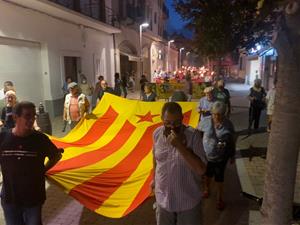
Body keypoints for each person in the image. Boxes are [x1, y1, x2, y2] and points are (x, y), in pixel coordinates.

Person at [0, 101, 62, 225]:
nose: (32, 119)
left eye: (34, 116)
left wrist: (43, 170)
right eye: (27, 116)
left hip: (33, 197)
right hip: (10, 197)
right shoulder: (3, 138)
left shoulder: (40, 139)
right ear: (15, 117)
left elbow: (56, 155)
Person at [152, 102, 207, 225]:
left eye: (176, 123)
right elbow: (156, 159)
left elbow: (201, 170)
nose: (172, 127)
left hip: (188, 202)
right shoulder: (156, 134)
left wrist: (180, 146)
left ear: (182, 119)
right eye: (167, 123)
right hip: (163, 200)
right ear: (162, 119)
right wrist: (154, 181)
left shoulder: (194, 136)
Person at [198, 101, 236, 210]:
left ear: (223, 114)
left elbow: (232, 141)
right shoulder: (205, 122)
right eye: (214, 114)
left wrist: (232, 155)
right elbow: (198, 135)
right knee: (208, 175)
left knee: (219, 178)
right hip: (207, 155)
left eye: (219, 114)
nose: (216, 116)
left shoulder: (228, 124)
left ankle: (219, 198)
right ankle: (207, 189)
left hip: (221, 156)